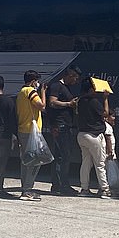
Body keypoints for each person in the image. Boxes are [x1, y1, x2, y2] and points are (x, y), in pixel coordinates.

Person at [45, 65, 82, 195]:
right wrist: (69, 104)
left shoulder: (66, 88)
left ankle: (59, 184)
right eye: (75, 78)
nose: (75, 82)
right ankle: (62, 185)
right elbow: (52, 102)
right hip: (59, 125)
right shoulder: (56, 86)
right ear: (70, 75)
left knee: (62, 155)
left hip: (65, 125)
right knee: (63, 156)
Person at [76, 77, 111, 198]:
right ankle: (105, 189)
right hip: (94, 135)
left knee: (85, 163)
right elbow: (105, 114)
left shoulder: (80, 101)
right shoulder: (94, 101)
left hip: (81, 135)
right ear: (91, 89)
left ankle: (84, 189)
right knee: (100, 164)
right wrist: (105, 98)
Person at [16, 70, 47, 201]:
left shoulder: (21, 93)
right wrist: (43, 92)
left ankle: (25, 188)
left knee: (25, 161)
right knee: (35, 162)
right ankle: (27, 190)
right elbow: (42, 106)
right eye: (37, 81)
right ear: (33, 81)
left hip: (22, 129)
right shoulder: (31, 91)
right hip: (31, 131)